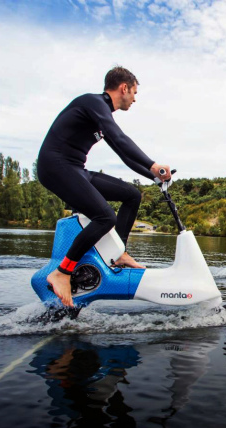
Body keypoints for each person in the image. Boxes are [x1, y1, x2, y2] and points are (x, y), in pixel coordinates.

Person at [37, 66, 171, 307]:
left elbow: (124, 154)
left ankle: (118, 253)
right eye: (134, 92)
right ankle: (62, 272)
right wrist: (153, 165)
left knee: (131, 195)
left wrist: (154, 177)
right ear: (124, 88)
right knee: (105, 217)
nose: (135, 98)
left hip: (76, 168)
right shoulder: (93, 102)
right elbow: (120, 139)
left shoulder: (100, 114)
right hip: (55, 166)